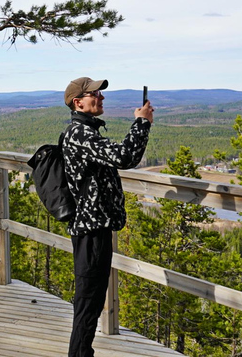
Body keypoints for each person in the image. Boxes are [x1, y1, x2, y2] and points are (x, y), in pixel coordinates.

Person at [62, 77, 154, 357]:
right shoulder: (80, 134)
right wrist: (142, 122)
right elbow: (125, 157)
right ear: (78, 102)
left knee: (90, 301)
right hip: (91, 231)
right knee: (88, 302)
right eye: (95, 94)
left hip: (93, 229)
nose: (101, 98)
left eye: (101, 94)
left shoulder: (85, 131)